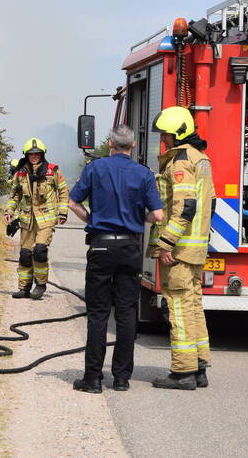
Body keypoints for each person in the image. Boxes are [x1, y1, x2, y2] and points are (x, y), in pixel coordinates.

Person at [67, 125, 164, 393]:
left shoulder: (95, 169)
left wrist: (93, 221)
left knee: (98, 314)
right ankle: (121, 378)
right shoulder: (144, 173)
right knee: (125, 314)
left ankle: (93, 379)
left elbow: (73, 203)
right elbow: (158, 215)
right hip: (130, 248)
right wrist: (137, 221)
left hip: (100, 247)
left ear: (110, 144)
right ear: (132, 146)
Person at [149, 106, 215, 390]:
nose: (163, 140)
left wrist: (167, 243)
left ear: (176, 134)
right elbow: (209, 201)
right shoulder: (202, 159)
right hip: (196, 248)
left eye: (165, 135)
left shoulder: (180, 162)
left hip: (179, 250)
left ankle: (183, 373)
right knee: (193, 305)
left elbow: (184, 207)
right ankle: (199, 367)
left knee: (178, 308)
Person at [5, 138, 69, 300]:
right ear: (27, 155)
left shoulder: (52, 171)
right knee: (25, 254)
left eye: (37, 154)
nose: (34, 156)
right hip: (27, 220)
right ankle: (24, 288)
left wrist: (62, 212)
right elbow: (15, 195)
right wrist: (9, 211)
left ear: (42, 155)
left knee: (39, 251)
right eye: (31, 154)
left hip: (45, 220)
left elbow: (63, 192)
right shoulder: (21, 173)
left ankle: (40, 285)